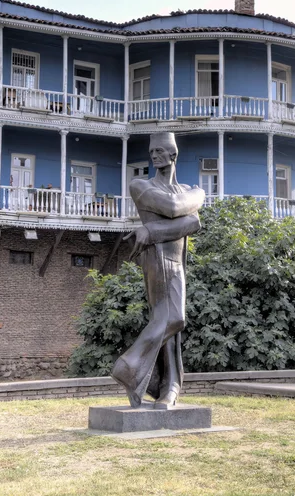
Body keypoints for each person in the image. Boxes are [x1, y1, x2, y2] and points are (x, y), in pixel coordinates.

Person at [111, 132, 205, 408]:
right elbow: (175, 208)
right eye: (152, 151)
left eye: (161, 151)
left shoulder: (187, 189)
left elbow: (192, 224)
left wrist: (150, 229)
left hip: (177, 261)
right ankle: (129, 365)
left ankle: (169, 388)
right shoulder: (140, 186)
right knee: (173, 317)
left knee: (170, 323)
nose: (154, 156)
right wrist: (194, 201)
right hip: (155, 260)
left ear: (173, 155)